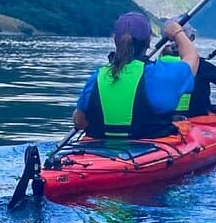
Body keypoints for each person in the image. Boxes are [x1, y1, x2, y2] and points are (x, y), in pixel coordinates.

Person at [74, 12, 200, 141]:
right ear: (148, 41)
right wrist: (178, 33)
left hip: (97, 152)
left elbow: (79, 121)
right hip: (150, 149)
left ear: (115, 40)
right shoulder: (161, 74)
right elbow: (192, 58)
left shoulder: (97, 76)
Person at [168, 30, 216, 117]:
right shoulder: (201, 65)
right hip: (195, 120)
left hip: (163, 123)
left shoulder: (154, 66)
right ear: (190, 40)